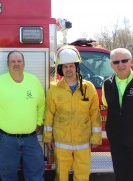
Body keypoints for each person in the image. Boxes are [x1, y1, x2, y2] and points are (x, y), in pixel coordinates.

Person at [0, 50, 45, 181]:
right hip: (6, 141)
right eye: (13, 61)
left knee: (36, 177)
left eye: (19, 61)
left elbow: (41, 105)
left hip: (31, 140)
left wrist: (39, 122)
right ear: (8, 64)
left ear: (24, 63)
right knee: (9, 177)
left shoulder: (33, 81)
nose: (16, 64)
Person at [43, 45, 102, 181]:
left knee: (82, 176)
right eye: (65, 66)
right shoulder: (54, 89)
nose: (68, 69)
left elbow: (94, 114)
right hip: (61, 142)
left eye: (71, 66)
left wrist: (96, 138)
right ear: (61, 69)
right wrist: (47, 138)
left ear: (76, 67)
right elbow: (50, 114)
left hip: (83, 142)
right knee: (61, 176)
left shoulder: (88, 87)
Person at [102, 48, 133, 181]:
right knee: (120, 172)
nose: (120, 64)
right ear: (111, 65)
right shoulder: (107, 84)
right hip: (116, 138)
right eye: (116, 62)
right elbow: (106, 103)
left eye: (124, 60)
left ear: (131, 62)